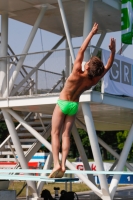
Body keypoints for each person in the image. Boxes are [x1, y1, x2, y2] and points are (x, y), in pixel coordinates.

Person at [49, 23, 116, 178]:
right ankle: (64, 164)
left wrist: (92, 33)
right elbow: (108, 66)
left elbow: (81, 50)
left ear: (87, 67)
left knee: (55, 133)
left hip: (63, 103)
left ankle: (56, 163)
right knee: (66, 135)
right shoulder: (93, 80)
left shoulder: (76, 73)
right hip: (73, 106)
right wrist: (112, 52)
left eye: (87, 62)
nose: (85, 62)